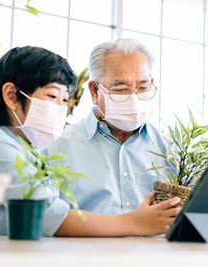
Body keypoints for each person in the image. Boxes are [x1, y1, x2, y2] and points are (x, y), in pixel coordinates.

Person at [0, 46, 180, 237]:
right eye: (51, 97)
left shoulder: (24, 150)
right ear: (12, 96)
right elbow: (50, 215)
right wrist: (135, 223)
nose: (60, 109)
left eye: (64, 100)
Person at [46, 38, 178, 236]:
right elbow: (46, 219)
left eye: (142, 88)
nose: (133, 99)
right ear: (94, 90)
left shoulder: (172, 151)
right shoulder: (56, 148)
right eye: (121, 89)